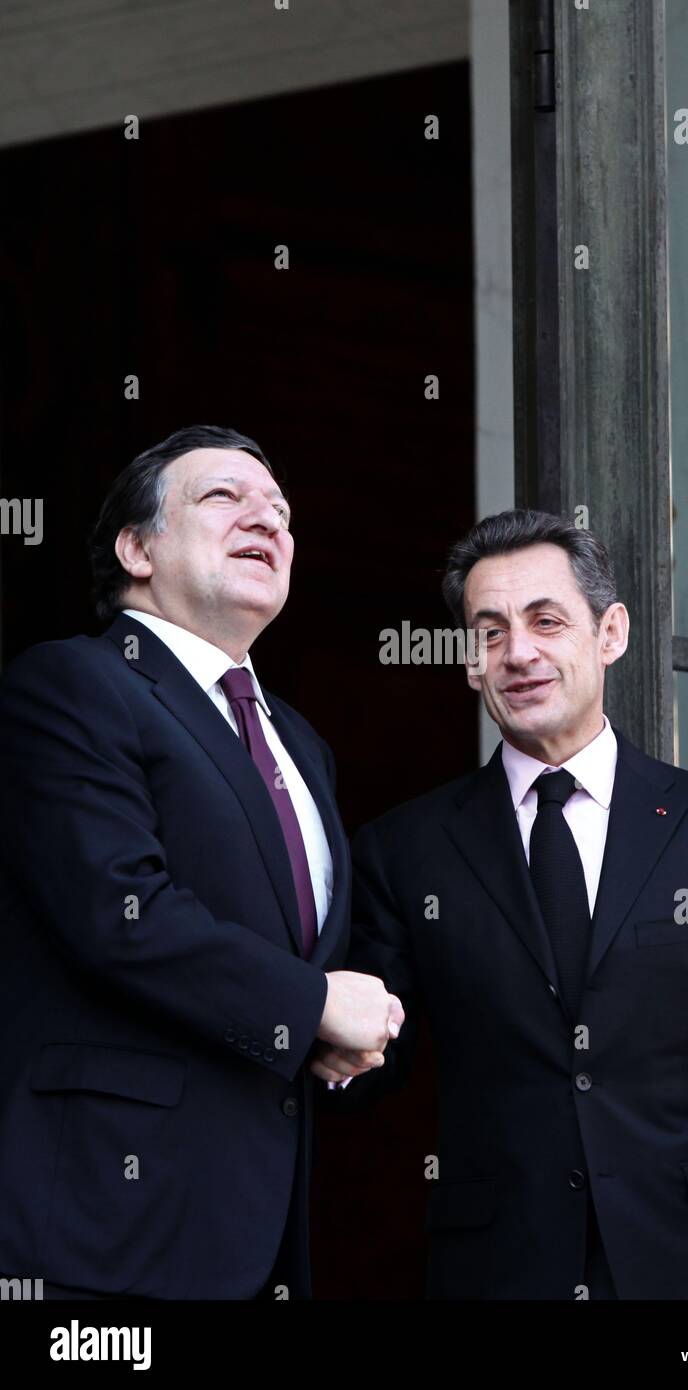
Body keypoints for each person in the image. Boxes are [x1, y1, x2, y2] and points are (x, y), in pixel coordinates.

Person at [314, 508, 688, 1300]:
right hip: (496, 1273)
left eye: (546, 621)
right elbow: (367, 1054)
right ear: (469, 662)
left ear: (611, 634)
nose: (519, 653)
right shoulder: (406, 849)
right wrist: (309, 1029)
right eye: (491, 632)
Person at [0, 424, 401, 1300]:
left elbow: (298, 955)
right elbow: (119, 910)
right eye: (224, 496)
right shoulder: (72, 684)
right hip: (103, 1230)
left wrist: (332, 1032)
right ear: (136, 548)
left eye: (282, 511)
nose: (267, 517)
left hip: (255, 1235)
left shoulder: (301, 743)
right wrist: (312, 1004)